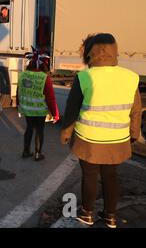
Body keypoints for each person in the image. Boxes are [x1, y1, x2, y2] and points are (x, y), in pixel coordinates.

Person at [61, 33, 142, 229]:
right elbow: (136, 109)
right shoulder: (130, 77)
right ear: (114, 51)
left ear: (91, 53)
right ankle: (110, 217)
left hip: (89, 140)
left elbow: (72, 110)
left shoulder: (84, 77)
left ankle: (87, 214)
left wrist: (65, 133)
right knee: (111, 176)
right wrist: (134, 134)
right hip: (117, 140)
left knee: (89, 176)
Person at [17, 48, 60, 161]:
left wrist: (18, 105)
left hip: (27, 109)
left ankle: (26, 151)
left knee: (29, 128)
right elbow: (50, 98)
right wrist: (55, 113)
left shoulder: (23, 75)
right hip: (40, 110)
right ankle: (37, 154)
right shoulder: (45, 78)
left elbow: (19, 91)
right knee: (39, 130)